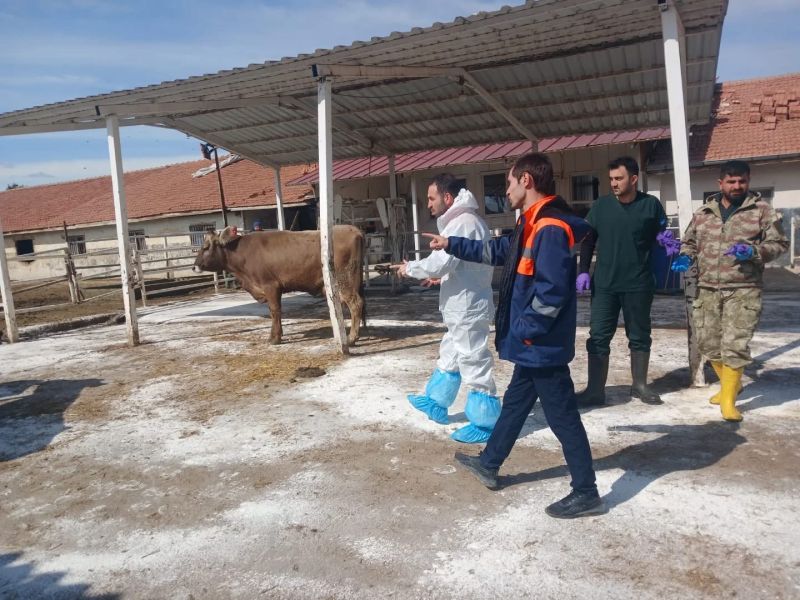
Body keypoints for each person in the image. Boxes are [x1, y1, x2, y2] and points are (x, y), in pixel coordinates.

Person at [425, 153, 604, 519]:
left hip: (541, 344)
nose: (504, 191)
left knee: (563, 417)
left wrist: (526, 332)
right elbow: (495, 250)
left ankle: (586, 490)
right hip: (533, 345)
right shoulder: (530, 223)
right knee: (516, 405)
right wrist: (451, 244)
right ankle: (490, 463)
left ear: (526, 181)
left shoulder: (550, 227)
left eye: (507, 183)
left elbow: (552, 293)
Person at [671, 160, 788, 421]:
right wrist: (685, 257)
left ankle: (727, 400)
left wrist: (755, 252)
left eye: (742, 181)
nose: (737, 186)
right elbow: (688, 242)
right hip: (707, 288)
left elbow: (780, 243)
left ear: (748, 181)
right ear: (720, 183)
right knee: (708, 343)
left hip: (744, 288)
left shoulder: (761, 211)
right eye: (731, 182)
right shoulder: (704, 213)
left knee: (735, 345)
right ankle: (730, 384)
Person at [392, 174, 500, 444]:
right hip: (461, 305)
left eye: (431, 198)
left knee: (474, 361)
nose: (428, 204)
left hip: (468, 307)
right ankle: (436, 401)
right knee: (451, 355)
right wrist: (442, 278)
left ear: (447, 198)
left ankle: (486, 423)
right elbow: (461, 265)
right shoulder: (463, 221)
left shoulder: (462, 223)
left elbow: (442, 261)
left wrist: (410, 269)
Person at [576, 156, 679, 407]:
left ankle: (640, 386)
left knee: (640, 335)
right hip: (606, 285)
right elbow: (588, 240)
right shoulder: (601, 207)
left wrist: (667, 242)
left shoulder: (651, 206)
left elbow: (661, 234)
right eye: (611, 178)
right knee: (598, 336)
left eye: (619, 178)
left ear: (633, 179)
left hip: (638, 284)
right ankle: (594, 390)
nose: (614, 183)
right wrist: (583, 270)